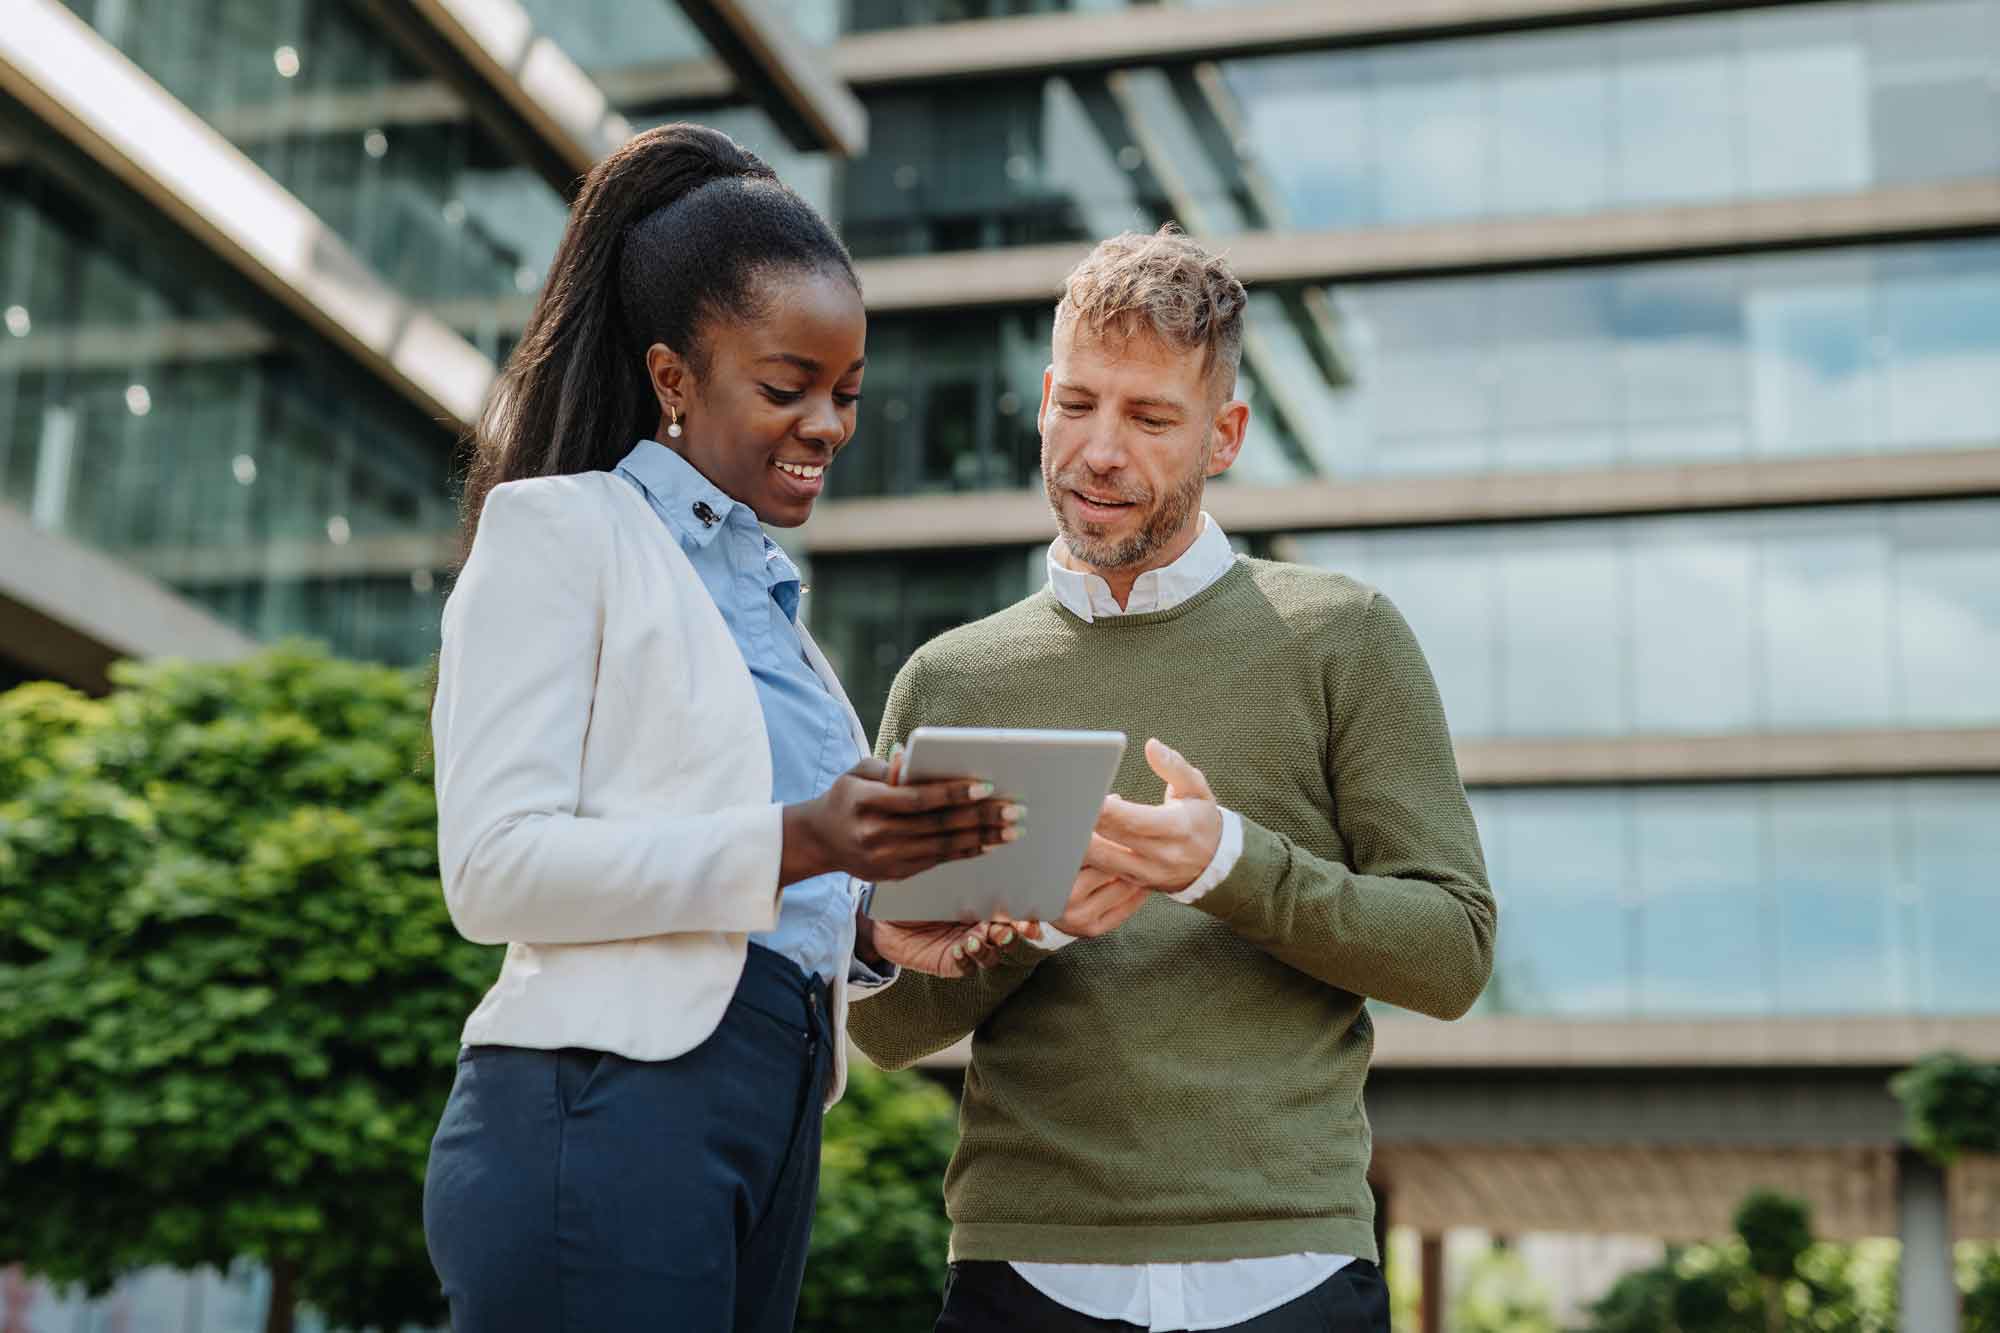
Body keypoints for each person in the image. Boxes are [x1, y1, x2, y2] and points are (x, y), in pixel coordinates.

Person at [422, 124, 1022, 1333]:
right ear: (673, 378)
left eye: (845, 394)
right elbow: (491, 872)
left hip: (768, 1117)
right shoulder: (562, 533)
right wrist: (805, 837)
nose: (826, 425)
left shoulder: (773, 608)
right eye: (785, 386)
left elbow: (762, 885)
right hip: (604, 1114)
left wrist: (878, 924)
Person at [847, 227, 1498, 1333]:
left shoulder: (1343, 637)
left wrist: (1231, 867)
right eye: (1078, 405)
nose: (1100, 450)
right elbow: (887, 1025)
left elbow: (1451, 952)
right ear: (1044, 399)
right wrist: (1031, 927)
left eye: (1149, 418)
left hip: (1286, 1267)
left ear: (1223, 435)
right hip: (1021, 1274)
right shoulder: (947, 679)